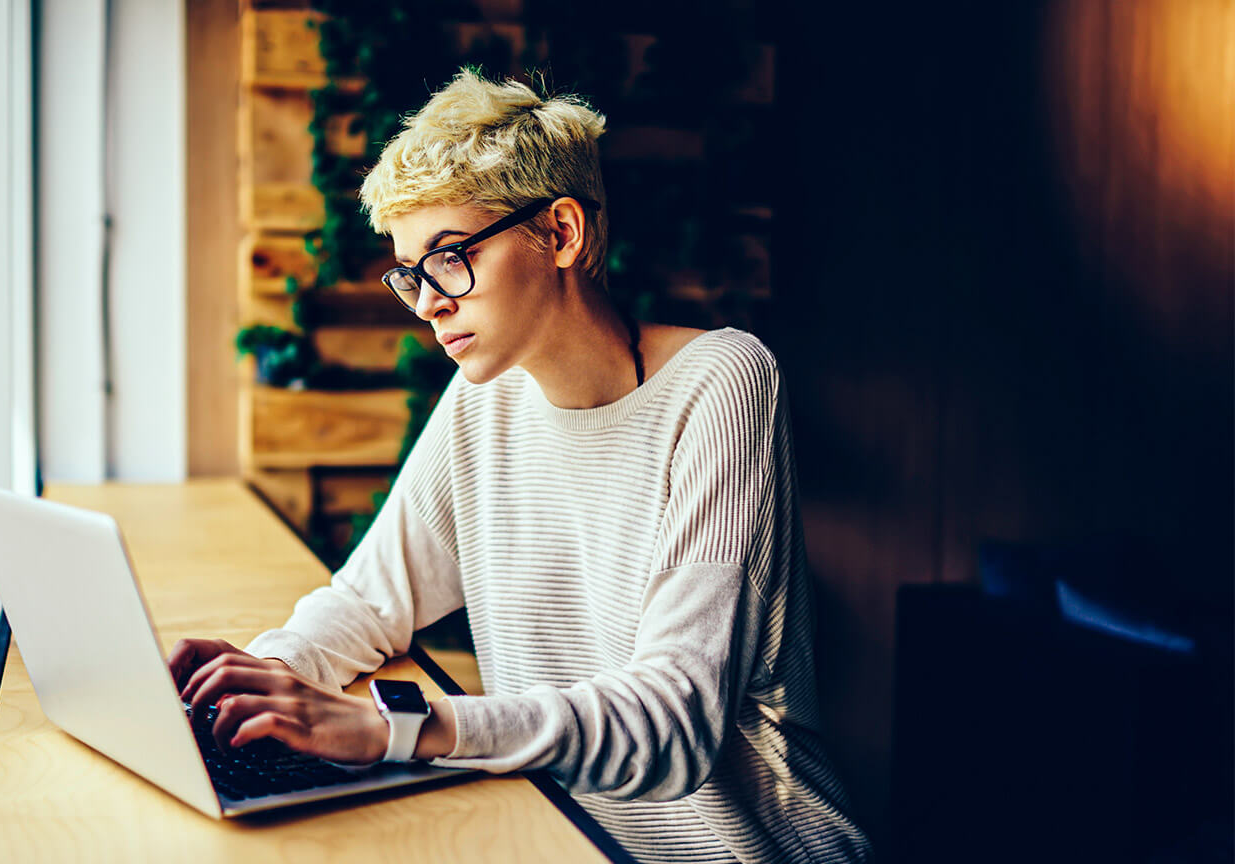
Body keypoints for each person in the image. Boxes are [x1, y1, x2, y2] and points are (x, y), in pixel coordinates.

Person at [168, 68, 872, 863]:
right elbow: (369, 602)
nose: (429, 300)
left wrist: (395, 728)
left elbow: (675, 722)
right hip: (563, 838)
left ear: (562, 234)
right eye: (409, 273)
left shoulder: (721, 384)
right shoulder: (485, 399)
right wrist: (260, 680)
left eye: (449, 256)